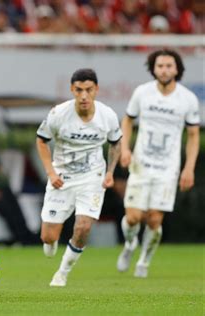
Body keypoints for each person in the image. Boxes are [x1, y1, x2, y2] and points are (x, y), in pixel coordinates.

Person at [117, 49, 200, 278]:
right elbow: (127, 120)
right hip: (141, 165)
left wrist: (189, 168)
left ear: (177, 69)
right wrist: (125, 149)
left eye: (169, 66)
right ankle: (130, 244)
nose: (164, 70)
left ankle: (144, 260)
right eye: (160, 65)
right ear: (153, 68)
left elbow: (193, 135)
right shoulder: (142, 93)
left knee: (154, 219)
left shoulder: (187, 99)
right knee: (133, 217)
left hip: (167, 169)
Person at [36, 68, 122, 287]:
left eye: (89, 90)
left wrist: (110, 172)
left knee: (83, 227)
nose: (84, 95)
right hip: (62, 178)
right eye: (79, 90)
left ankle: (62, 272)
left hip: (92, 178)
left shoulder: (108, 116)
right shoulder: (58, 114)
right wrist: (51, 172)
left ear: (96, 90)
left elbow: (116, 143)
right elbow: (41, 140)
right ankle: (52, 241)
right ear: (72, 90)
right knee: (48, 237)